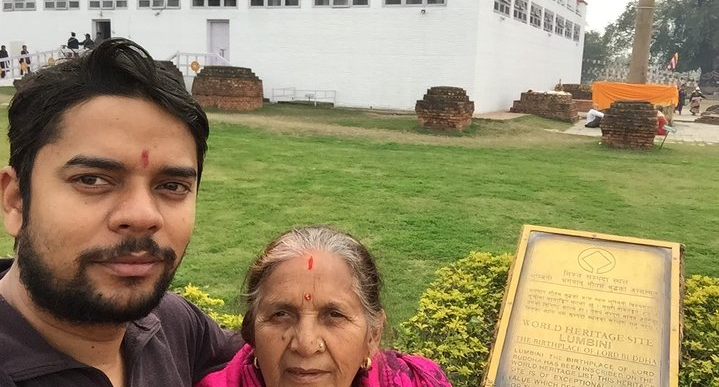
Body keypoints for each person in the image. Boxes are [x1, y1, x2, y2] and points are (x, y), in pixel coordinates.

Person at [0, 38, 242, 386]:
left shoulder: (172, 326)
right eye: (93, 179)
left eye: (172, 186)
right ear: (15, 199)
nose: (143, 216)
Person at [197, 225, 451, 387]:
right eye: (281, 314)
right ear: (252, 331)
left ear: (373, 335)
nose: (306, 345)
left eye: (334, 315)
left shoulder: (419, 381)